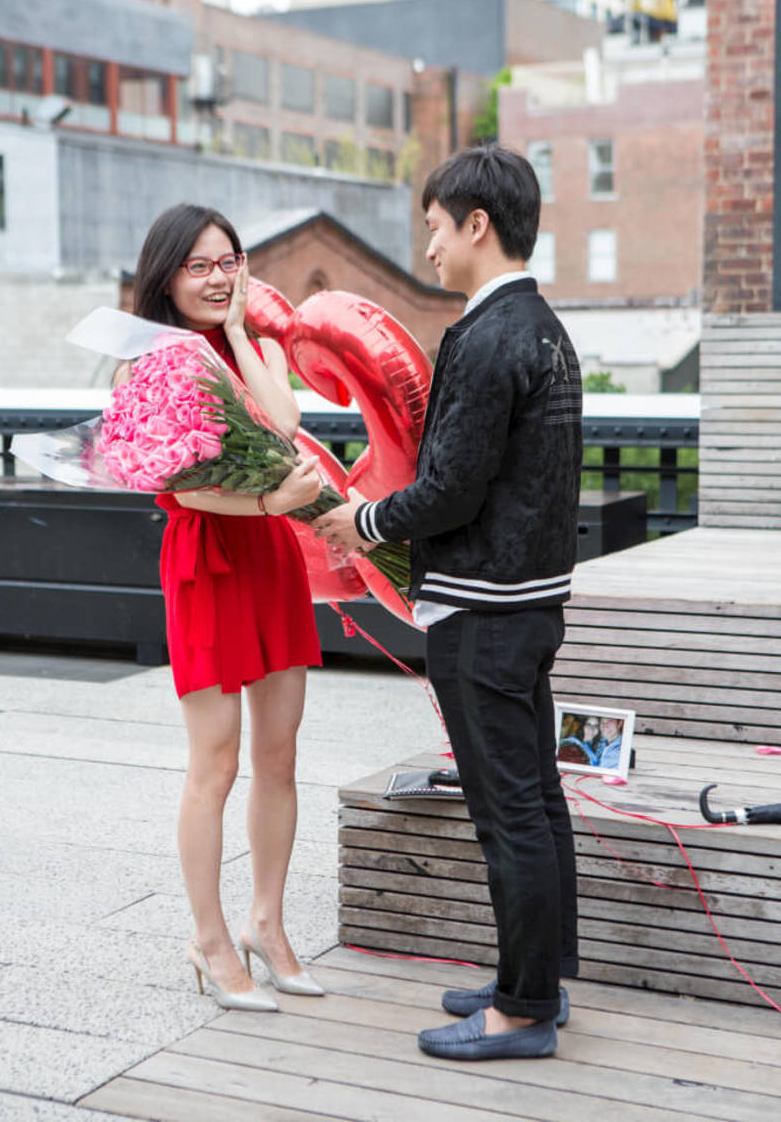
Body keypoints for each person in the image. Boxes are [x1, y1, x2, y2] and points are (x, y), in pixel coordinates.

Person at [314, 144, 582, 1060]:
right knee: (536, 798)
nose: (427, 247)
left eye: (433, 226)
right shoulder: (544, 326)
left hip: (484, 612)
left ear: (476, 224)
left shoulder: (485, 333)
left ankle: (522, 1012)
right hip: (532, 605)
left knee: (508, 808)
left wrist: (365, 519)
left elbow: (452, 489)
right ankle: (539, 980)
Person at [131, 203, 325, 1010]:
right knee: (215, 764)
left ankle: (267, 926)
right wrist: (272, 504)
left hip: (271, 557)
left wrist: (243, 334)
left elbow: (283, 426)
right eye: (199, 266)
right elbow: (179, 486)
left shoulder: (263, 343)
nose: (217, 278)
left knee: (280, 757)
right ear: (167, 275)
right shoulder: (150, 362)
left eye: (229, 262)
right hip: (208, 560)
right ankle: (208, 939)